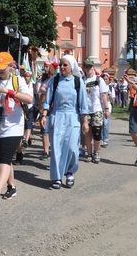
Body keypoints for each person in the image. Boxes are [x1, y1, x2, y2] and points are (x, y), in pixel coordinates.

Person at [0, 53, 32, 208]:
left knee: (4, 158)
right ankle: (11, 187)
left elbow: (29, 99)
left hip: (14, 126)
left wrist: (9, 92)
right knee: (5, 157)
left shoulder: (19, 80)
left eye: (2, 68)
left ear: (11, 66)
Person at [42, 55, 88, 189]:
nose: (61, 67)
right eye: (60, 65)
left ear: (71, 67)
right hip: (57, 116)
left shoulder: (78, 82)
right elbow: (47, 100)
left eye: (65, 65)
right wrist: (44, 115)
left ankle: (69, 172)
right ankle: (56, 177)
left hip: (73, 117)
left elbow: (83, 104)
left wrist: (85, 121)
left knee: (73, 147)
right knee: (56, 148)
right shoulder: (54, 80)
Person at [81, 59, 109, 164]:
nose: (88, 69)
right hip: (85, 110)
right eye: (86, 67)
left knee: (97, 133)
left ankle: (96, 153)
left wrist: (106, 108)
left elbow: (103, 95)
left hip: (97, 110)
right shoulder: (82, 80)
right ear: (84, 68)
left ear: (93, 67)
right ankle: (89, 153)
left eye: (90, 66)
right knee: (87, 133)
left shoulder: (98, 79)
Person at [101, 73, 114, 147]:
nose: (104, 80)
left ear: (109, 80)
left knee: (105, 124)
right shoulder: (99, 87)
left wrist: (110, 96)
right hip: (99, 107)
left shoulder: (110, 88)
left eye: (106, 79)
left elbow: (113, 100)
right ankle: (101, 139)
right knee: (100, 124)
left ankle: (105, 140)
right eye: (103, 79)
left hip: (107, 107)